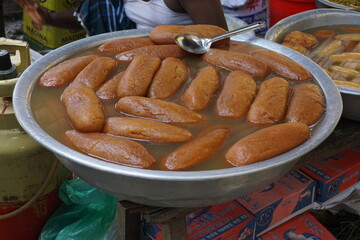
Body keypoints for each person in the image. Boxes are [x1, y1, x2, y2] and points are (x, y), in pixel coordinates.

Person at [14, 0, 228, 36]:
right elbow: (91, 15)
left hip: (184, 66)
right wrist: (48, 17)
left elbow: (219, 41)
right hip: (131, 58)